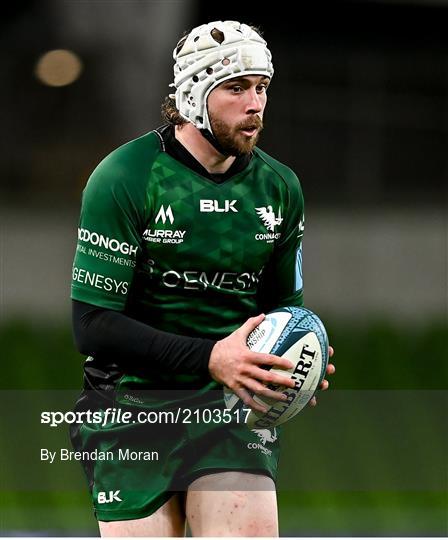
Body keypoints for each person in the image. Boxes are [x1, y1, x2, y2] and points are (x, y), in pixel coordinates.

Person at [70, 20, 335, 537]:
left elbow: (285, 314)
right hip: (131, 410)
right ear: (193, 93)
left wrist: (297, 359)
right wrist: (213, 358)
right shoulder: (126, 177)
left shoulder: (279, 188)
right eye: (236, 88)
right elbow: (93, 325)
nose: (255, 104)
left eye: (261, 88)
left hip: (231, 414)